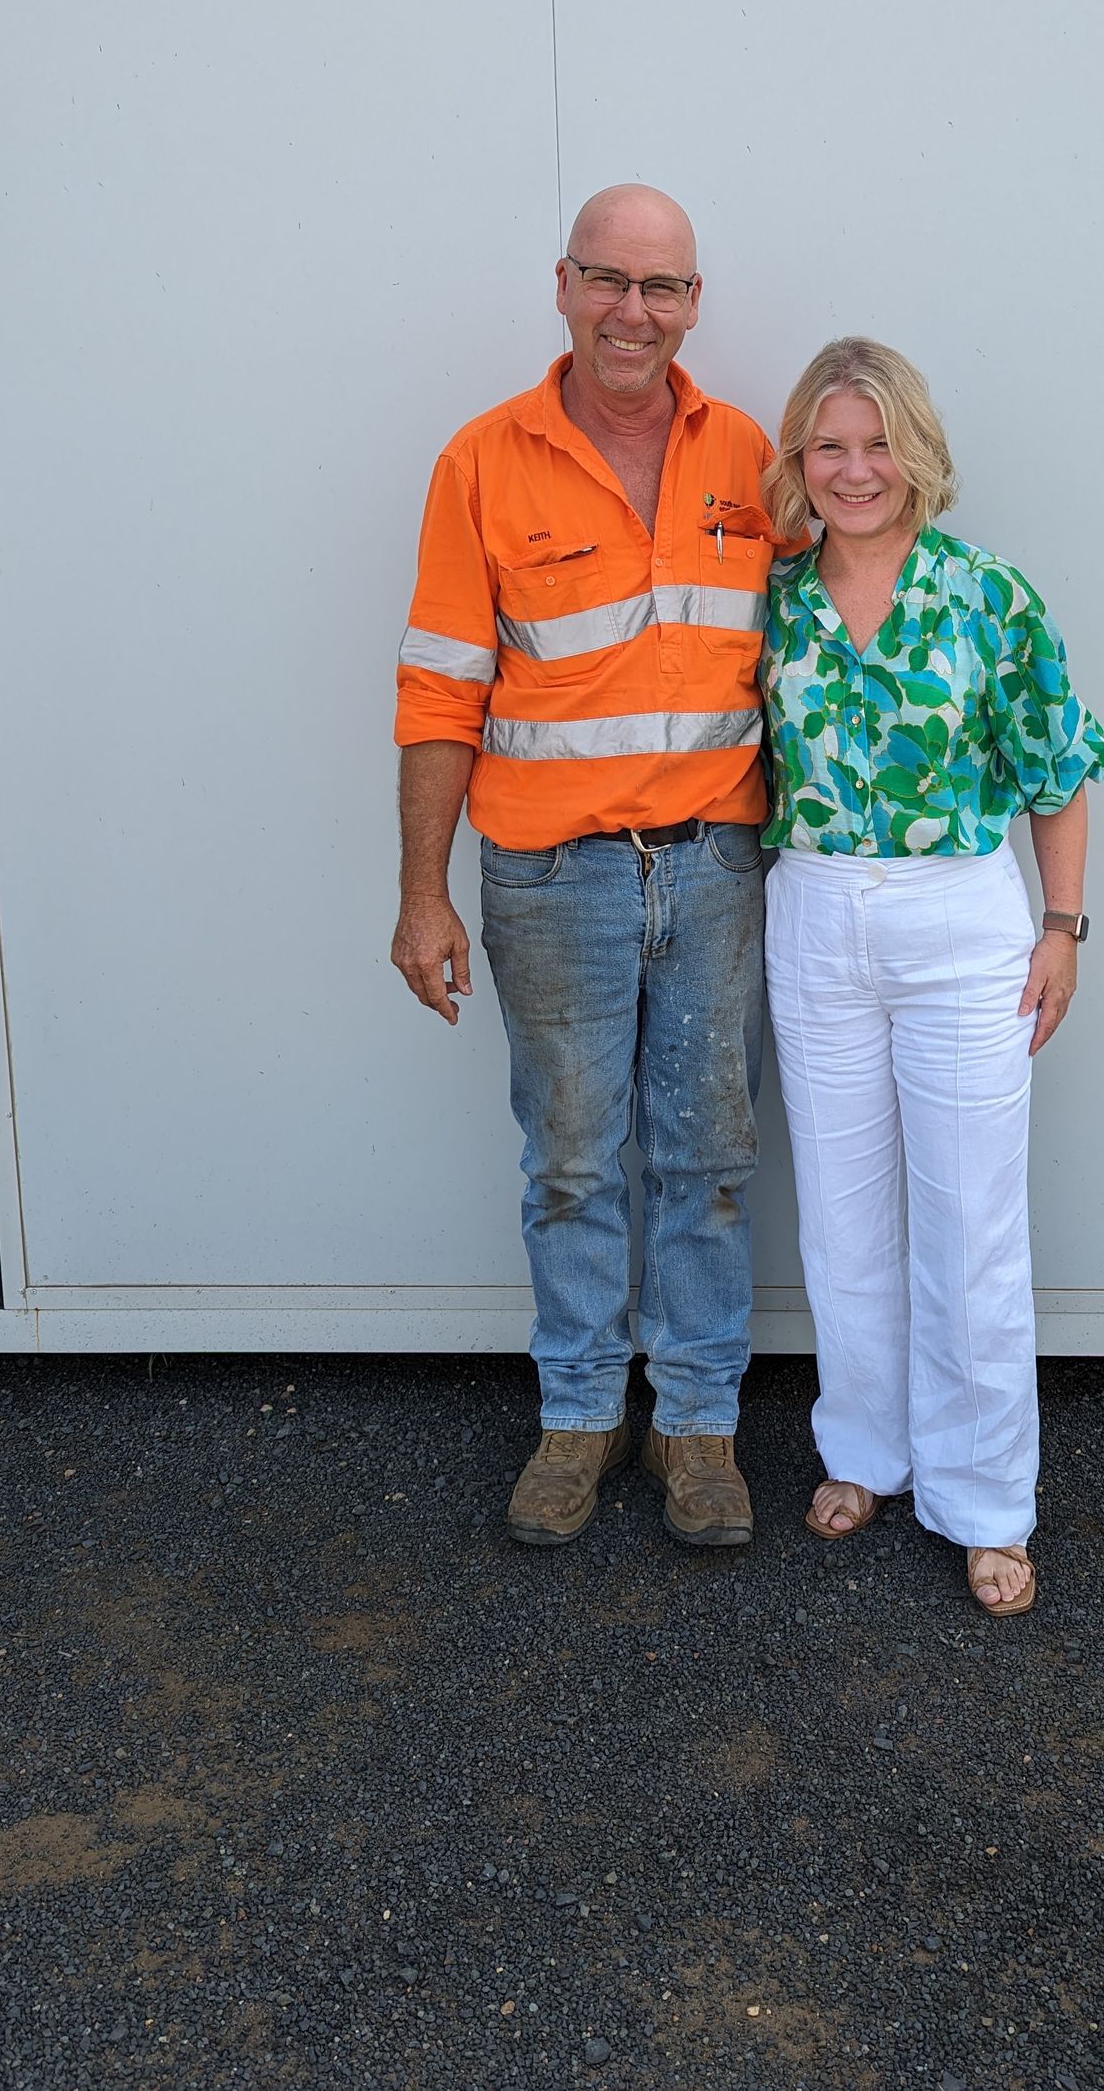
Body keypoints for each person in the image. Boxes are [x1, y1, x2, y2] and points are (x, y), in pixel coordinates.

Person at [392, 185, 784, 1551]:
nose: (633, 311)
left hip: (718, 868)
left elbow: (824, 636)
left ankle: (697, 1423)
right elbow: (440, 689)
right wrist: (423, 892)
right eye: (608, 280)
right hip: (553, 881)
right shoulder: (482, 462)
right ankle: (577, 1415)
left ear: (694, 303)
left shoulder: (748, 454)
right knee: (569, 1161)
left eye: (661, 286)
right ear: (561, 285)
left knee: (709, 1157)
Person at [758, 337, 1104, 1617]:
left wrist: (1061, 926)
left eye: (878, 444)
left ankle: (985, 1501)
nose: (855, 470)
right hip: (813, 913)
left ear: (917, 453)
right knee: (841, 1216)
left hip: (960, 922)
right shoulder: (774, 598)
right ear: (800, 458)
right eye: (830, 446)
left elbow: (1059, 770)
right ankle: (864, 1451)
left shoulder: (985, 595)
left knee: (971, 1226)